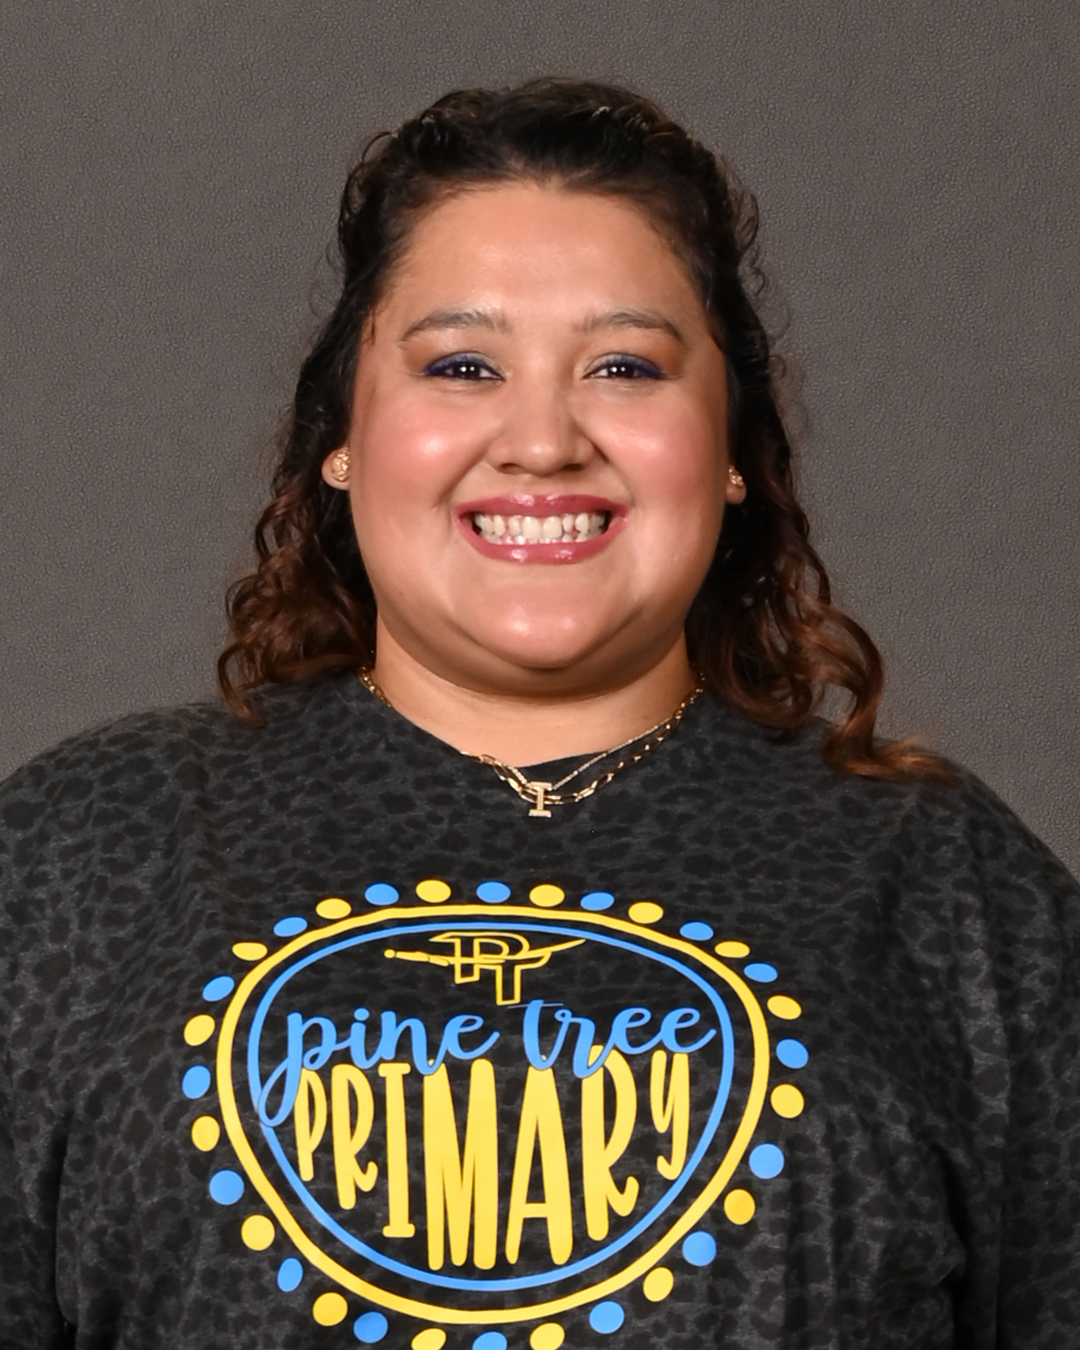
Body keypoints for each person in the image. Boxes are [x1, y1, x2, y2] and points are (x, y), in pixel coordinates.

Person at [1, 78, 1077, 1350]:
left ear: (733, 447)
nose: (543, 439)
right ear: (340, 433)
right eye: (463, 366)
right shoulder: (81, 853)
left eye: (624, 366)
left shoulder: (947, 884)